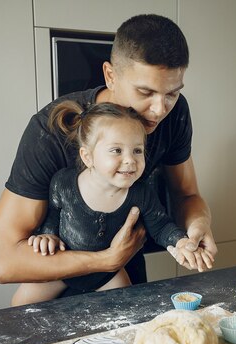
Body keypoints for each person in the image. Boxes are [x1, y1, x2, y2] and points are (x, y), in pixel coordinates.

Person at [0, 14, 217, 296]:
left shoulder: (175, 112)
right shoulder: (48, 132)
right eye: (145, 92)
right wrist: (106, 259)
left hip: (122, 277)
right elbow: (3, 262)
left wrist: (198, 225)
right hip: (54, 283)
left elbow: (186, 195)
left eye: (171, 93)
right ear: (110, 75)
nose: (159, 109)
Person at [11, 103, 214, 306]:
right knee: (18, 306)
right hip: (62, 268)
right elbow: (53, 213)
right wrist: (48, 235)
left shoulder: (141, 193)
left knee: (128, 313)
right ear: (88, 156)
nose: (130, 160)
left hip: (109, 274)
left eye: (137, 150)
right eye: (116, 150)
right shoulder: (63, 183)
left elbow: (161, 226)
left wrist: (181, 242)